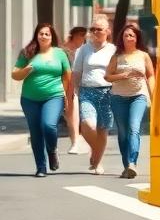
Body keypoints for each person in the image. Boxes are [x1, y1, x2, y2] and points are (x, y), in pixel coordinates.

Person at [10, 23, 73, 177]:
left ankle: (52, 150)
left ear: (52, 37)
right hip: (29, 99)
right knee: (36, 133)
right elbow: (15, 75)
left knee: (48, 125)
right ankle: (41, 167)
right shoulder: (28, 53)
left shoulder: (60, 53)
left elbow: (67, 76)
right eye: (41, 33)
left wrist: (67, 96)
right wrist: (27, 69)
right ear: (36, 35)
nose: (43, 36)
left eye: (47, 34)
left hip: (54, 96)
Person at [105, 23, 155, 179]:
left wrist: (153, 96)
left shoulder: (143, 55)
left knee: (134, 128)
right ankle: (126, 165)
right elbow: (107, 76)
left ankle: (132, 163)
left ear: (136, 38)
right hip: (118, 98)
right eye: (126, 35)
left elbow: (151, 75)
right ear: (122, 38)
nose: (128, 38)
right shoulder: (116, 57)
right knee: (123, 133)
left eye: (131, 35)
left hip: (138, 96)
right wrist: (123, 75)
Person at [72, 15, 116, 175]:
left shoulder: (113, 50)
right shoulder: (83, 50)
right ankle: (96, 151)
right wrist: (74, 92)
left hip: (107, 92)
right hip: (87, 91)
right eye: (93, 29)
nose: (95, 32)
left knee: (103, 129)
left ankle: (97, 162)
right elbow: (76, 73)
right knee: (88, 125)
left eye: (99, 29)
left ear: (107, 32)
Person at [62, 26, 88, 154]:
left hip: (83, 85)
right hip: (67, 86)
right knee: (71, 114)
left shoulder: (84, 50)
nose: (84, 39)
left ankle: (79, 141)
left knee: (80, 115)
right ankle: (75, 142)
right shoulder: (63, 51)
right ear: (75, 36)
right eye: (82, 36)